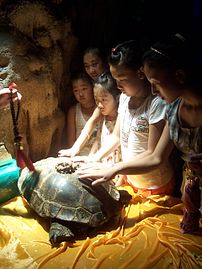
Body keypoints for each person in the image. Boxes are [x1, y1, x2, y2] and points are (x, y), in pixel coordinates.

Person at [78, 33, 202, 234]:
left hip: (160, 185)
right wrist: (99, 161)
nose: (153, 89)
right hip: (188, 190)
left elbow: (155, 156)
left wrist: (116, 168)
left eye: (155, 81)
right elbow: (138, 147)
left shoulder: (161, 106)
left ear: (179, 76)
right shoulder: (172, 109)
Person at [78, 40, 175, 196]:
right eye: (115, 79)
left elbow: (152, 153)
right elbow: (116, 137)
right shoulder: (124, 98)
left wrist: (116, 168)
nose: (118, 86)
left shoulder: (156, 103)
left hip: (154, 184)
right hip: (131, 178)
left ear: (141, 74)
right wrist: (94, 158)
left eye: (122, 79)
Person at [59, 72, 121, 163]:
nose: (99, 105)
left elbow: (116, 138)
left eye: (103, 100)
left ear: (117, 97)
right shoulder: (102, 112)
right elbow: (91, 127)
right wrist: (75, 149)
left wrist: (92, 158)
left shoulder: (123, 113)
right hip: (101, 161)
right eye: (96, 100)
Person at [59, 72, 97, 156]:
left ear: (92, 87)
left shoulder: (102, 107)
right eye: (76, 90)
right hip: (79, 155)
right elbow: (71, 142)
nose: (80, 94)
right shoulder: (74, 111)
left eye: (84, 88)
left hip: (98, 155)